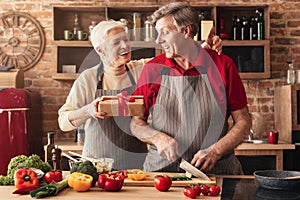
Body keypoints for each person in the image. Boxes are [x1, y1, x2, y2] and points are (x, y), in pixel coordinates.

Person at [58, 19, 223, 170]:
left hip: (135, 165)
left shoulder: (142, 69)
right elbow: (63, 122)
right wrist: (88, 110)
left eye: (126, 39)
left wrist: (203, 48)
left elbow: (177, 57)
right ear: (100, 49)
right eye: (116, 42)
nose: (125, 46)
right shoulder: (88, 79)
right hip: (96, 166)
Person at [130, 2, 251, 175]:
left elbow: (243, 122)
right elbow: (136, 122)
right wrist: (157, 138)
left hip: (216, 171)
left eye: (165, 32)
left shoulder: (223, 66)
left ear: (186, 31)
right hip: (163, 173)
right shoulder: (152, 69)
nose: (158, 40)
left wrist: (216, 151)